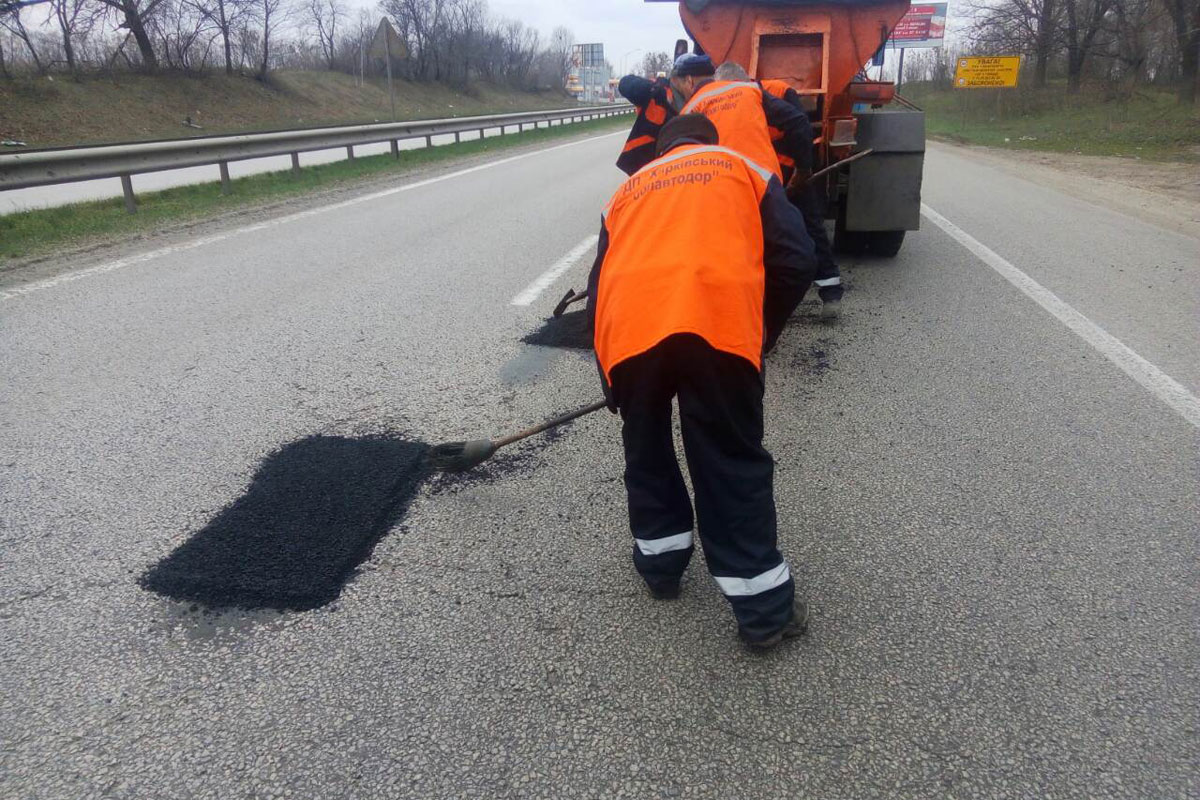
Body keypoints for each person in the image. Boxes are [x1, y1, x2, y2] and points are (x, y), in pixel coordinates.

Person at [586, 113, 817, 649]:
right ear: (709, 143)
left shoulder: (625, 193)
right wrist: (758, 333)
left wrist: (609, 374)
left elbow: (598, 292)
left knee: (645, 451)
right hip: (715, 327)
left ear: (662, 151)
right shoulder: (743, 169)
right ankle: (763, 611)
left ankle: (660, 567)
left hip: (631, 334)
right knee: (727, 460)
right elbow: (796, 259)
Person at [757, 73, 845, 319]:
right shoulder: (734, 101)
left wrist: (801, 172)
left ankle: (831, 293)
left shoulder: (777, 92)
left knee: (810, 223)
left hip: (792, 169)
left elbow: (800, 128)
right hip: (762, 172)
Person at [615, 73, 681, 175]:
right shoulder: (656, 91)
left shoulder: (694, 100)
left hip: (666, 160)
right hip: (651, 160)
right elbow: (625, 84)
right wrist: (650, 87)